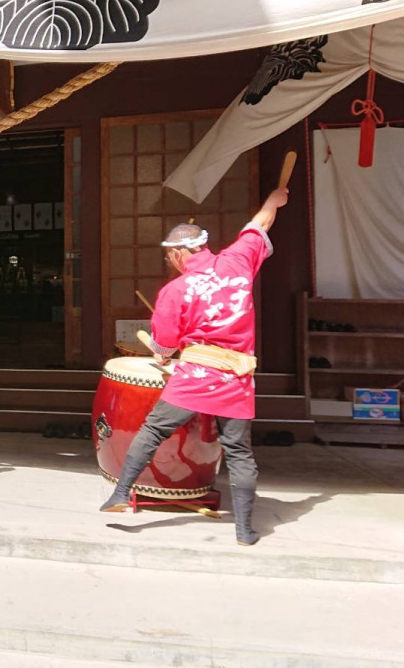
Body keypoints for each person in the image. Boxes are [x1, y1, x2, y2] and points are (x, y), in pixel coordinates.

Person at [99, 183, 291, 547]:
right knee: (239, 452)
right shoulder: (238, 261)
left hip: (195, 377)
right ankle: (244, 530)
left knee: (153, 431)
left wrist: (160, 353)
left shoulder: (175, 291)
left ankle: (121, 494)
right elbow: (260, 224)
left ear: (177, 255)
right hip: (235, 378)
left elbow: (166, 346)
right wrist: (274, 199)